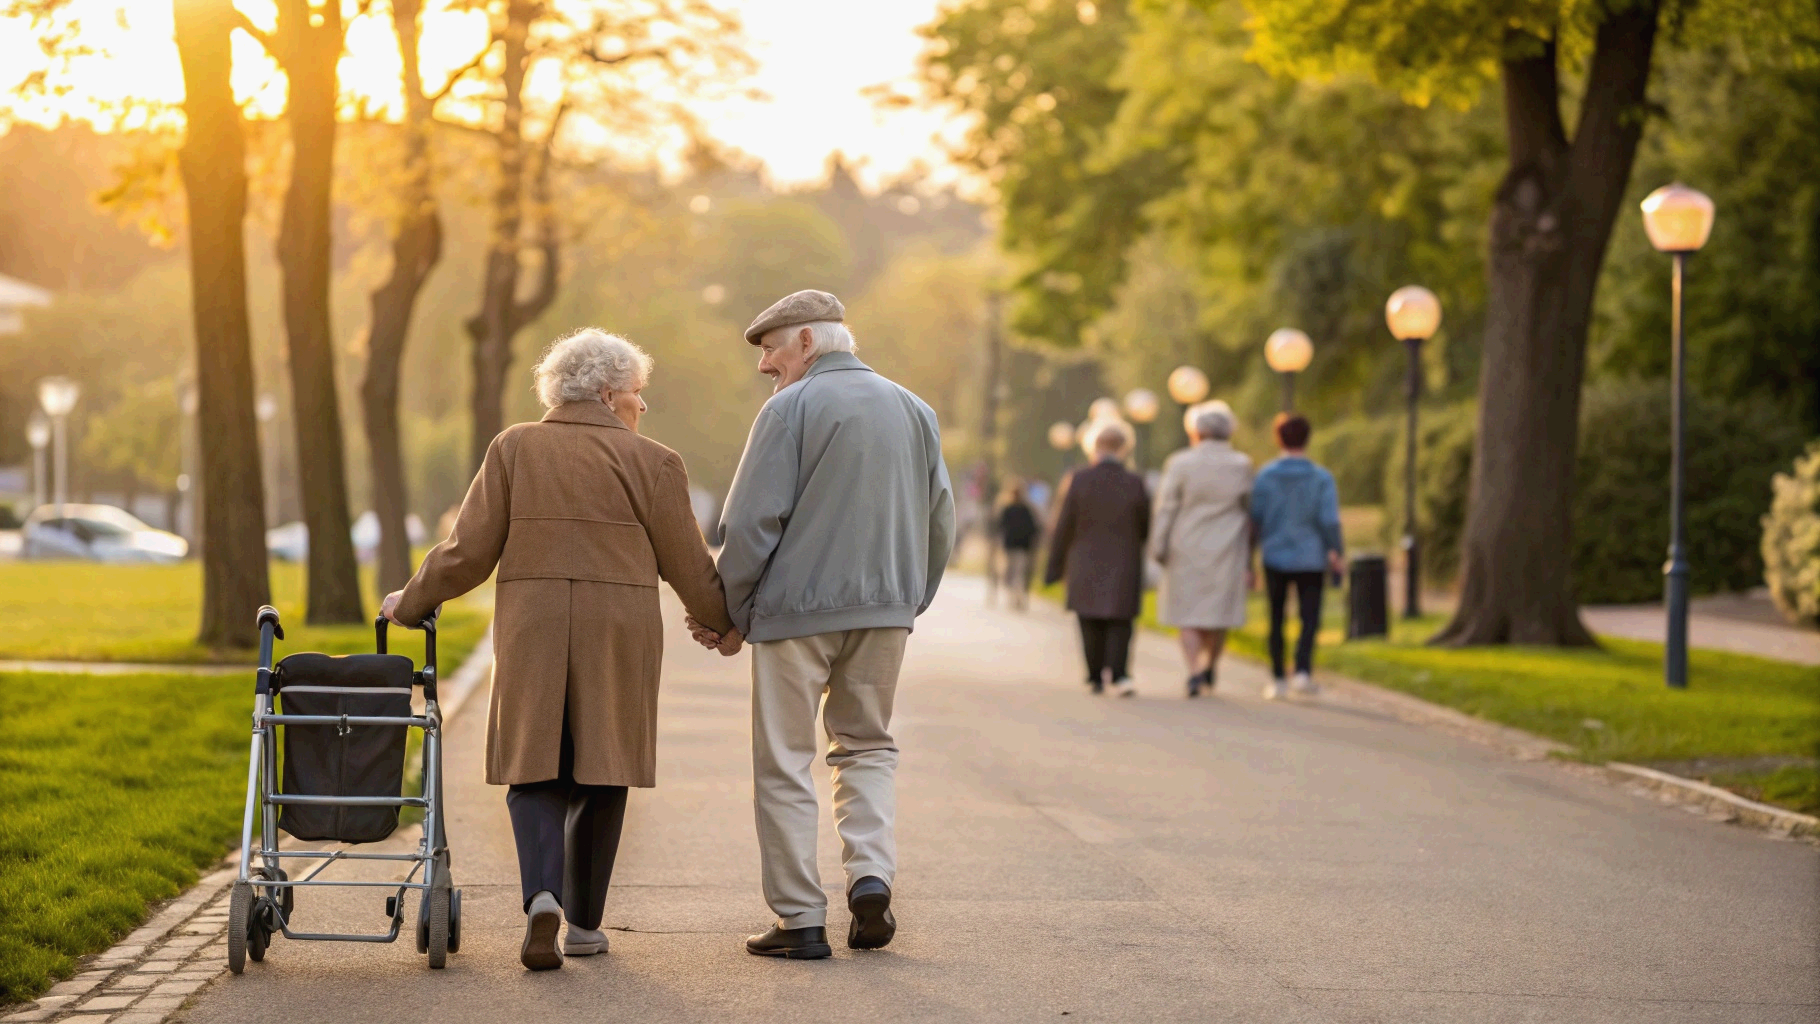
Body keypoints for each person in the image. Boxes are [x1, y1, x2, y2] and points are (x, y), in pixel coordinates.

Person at [381, 329, 739, 972]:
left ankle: (542, 895)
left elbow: (468, 552)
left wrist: (409, 603)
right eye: (637, 392)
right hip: (618, 627)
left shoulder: (514, 447)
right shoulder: (655, 462)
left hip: (534, 623)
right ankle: (583, 926)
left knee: (534, 765)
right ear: (606, 395)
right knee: (606, 766)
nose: (642, 406)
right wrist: (723, 625)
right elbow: (690, 567)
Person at [686, 289, 954, 960]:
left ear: (808, 341)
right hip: (885, 612)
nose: (763, 365)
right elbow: (941, 517)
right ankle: (870, 877)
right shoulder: (915, 410)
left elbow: (750, 524)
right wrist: (910, 599)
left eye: (771, 347)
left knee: (783, 762)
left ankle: (801, 918)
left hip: (794, 618)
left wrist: (729, 616)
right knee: (866, 746)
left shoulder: (790, 409)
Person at [1151, 401, 1253, 697]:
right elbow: (1249, 508)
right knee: (1218, 612)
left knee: (1188, 611)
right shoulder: (1242, 465)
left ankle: (1194, 669)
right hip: (1227, 545)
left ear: (1197, 431)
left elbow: (1166, 507)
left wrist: (1158, 546)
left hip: (1187, 544)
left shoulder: (1180, 463)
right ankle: (1211, 664)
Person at [1044, 419, 1150, 697]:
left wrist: (1054, 567)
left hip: (1084, 561)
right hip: (1124, 559)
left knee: (1088, 618)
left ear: (1093, 447)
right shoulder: (1135, 482)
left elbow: (1064, 525)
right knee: (1121, 620)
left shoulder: (1078, 479)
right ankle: (1119, 673)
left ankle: (1094, 676)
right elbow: (1145, 525)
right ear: (1124, 448)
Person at [1248, 412, 1344, 700]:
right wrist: (1336, 551)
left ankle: (1277, 678)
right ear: (1307, 438)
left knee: (1275, 617)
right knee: (1310, 617)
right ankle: (1303, 672)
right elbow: (1329, 520)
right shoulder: (1321, 478)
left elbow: (1255, 519)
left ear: (1279, 439)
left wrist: (1248, 559)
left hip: (1274, 555)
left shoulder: (1265, 476)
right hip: (1311, 556)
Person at [995, 479, 1041, 611]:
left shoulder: (1013, 509)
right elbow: (1034, 528)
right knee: (1015, 572)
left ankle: (1016, 596)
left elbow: (1000, 527)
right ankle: (1016, 596)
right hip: (1018, 546)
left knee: (1014, 572)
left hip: (1016, 545)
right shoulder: (1018, 509)